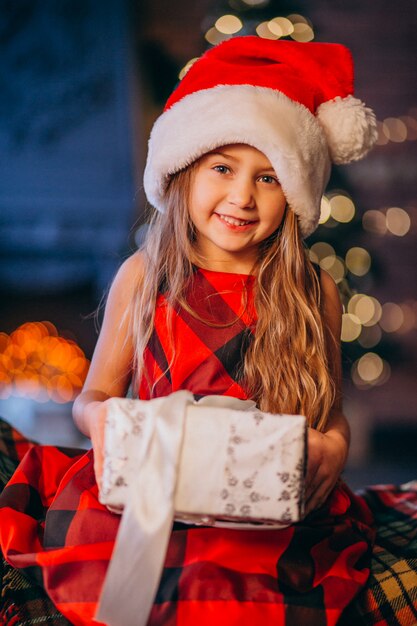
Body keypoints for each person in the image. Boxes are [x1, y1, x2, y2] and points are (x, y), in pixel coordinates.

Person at [0, 36, 377, 626]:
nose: (241, 197)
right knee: (133, 576)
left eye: (269, 177)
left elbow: (327, 413)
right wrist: (98, 418)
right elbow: (93, 396)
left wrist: (335, 442)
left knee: (240, 591)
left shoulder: (313, 290)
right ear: (184, 171)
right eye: (222, 168)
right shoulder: (146, 276)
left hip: (257, 501)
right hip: (152, 488)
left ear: (295, 191)